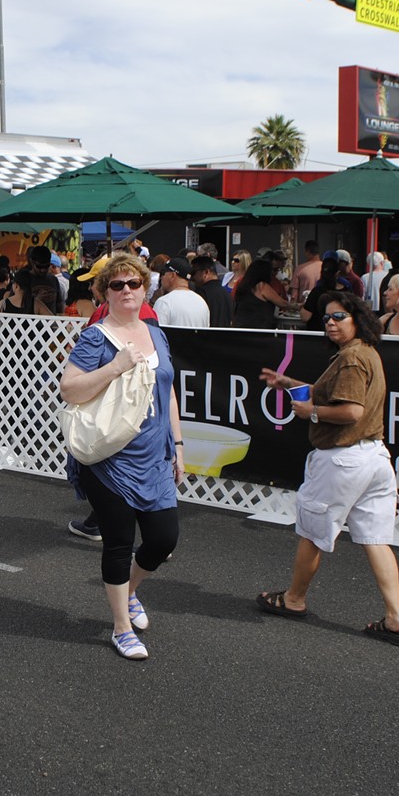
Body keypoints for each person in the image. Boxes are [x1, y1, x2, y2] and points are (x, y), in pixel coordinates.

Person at [256, 294, 399, 645]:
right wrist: (288, 383)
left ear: (357, 318)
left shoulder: (352, 358)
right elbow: (333, 395)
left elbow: (350, 411)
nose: (330, 322)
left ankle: (294, 599)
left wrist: (310, 412)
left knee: (312, 532)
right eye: (327, 317)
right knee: (376, 539)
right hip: (374, 458)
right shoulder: (365, 353)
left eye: (339, 316)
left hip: (343, 459)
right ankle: (395, 616)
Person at [59, 252, 182, 661]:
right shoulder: (98, 337)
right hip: (111, 459)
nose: (127, 290)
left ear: (146, 288)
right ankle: (121, 628)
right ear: (104, 292)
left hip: (155, 458)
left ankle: (127, 592)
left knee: (164, 539)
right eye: (117, 285)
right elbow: (70, 389)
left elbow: (168, 393)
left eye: (134, 284)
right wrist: (115, 366)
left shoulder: (156, 333)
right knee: (118, 542)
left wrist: (178, 445)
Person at [152, 256, 210, 328]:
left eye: (163, 273)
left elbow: (156, 334)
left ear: (172, 276)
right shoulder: (202, 302)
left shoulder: (164, 302)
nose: (161, 277)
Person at [231, 259, 285, 329]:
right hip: (257, 330)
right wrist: (296, 306)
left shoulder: (243, 284)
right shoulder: (261, 286)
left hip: (240, 327)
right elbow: (282, 302)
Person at [190, 255, 233, 328]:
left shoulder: (201, 293)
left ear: (206, 272)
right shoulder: (227, 294)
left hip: (207, 336)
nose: (192, 277)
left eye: (193, 272)